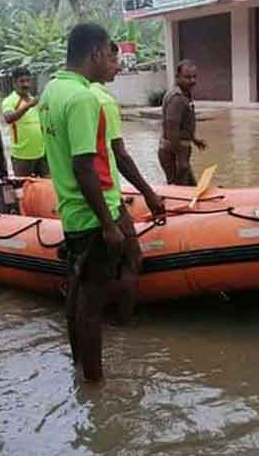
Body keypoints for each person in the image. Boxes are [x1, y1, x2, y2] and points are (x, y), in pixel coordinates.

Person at [40, 23, 160, 382]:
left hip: (73, 213)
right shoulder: (83, 99)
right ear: (94, 53)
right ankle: (94, 388)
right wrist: (108, 223)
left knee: (78, 293)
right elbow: (84, 165)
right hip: (93, 215)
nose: (115, 64)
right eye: (111, 54)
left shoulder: (51, 91)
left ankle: (80, 366)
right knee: (91, 305)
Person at [89, 41, 165, 324]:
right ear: (95, 56)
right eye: (112, 60)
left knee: (89, 270)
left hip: (76, 199)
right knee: (132, 259)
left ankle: (93, 323)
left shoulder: (58, 95)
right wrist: (149, 194)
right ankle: (123, 324)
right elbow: (119, 155)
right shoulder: (102, 100)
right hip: (106, 196)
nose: (118, 66)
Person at [158, 60, 207, 186]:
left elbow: (182, 126)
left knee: (190, 187)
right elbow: (172, 130)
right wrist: (181, 160)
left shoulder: (185, 94)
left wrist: (194, 140)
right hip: (173, 154)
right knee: (179, 190)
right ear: (177, 77)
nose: (192, 81)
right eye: (187, 77)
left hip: (179, 151)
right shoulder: (177, 98)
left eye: (194, 77)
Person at [2, 67, 48, 177]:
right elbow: (9, 118)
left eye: (28, 81)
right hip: (22, 156)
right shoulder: (10, 100)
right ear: (14, 83)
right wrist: (28, 106)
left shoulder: (33, 100)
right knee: (23, 188)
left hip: (41, 153)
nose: (26, 84)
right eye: (22, 81)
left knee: (46, 187)